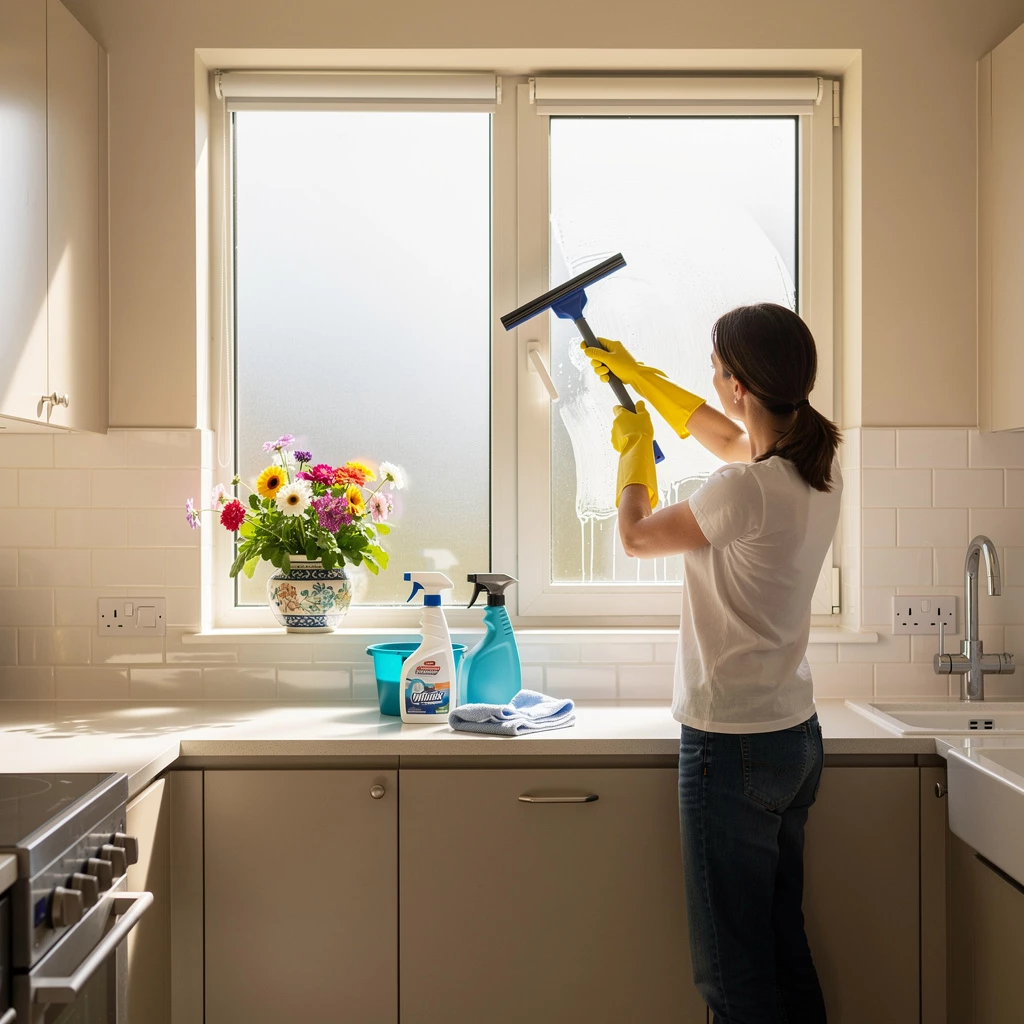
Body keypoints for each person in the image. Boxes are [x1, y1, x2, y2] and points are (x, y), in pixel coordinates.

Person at [583, 302, 842, 1024]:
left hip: (732, 748)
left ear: (738, 384)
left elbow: (635, 538)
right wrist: (646, 380)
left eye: (716, 369)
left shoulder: (744, 491)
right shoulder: (816, 470)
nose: (714, 379)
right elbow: (731, 439)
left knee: (732, 975)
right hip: (793, 736)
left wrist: (632, 450)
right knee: (782, 948)